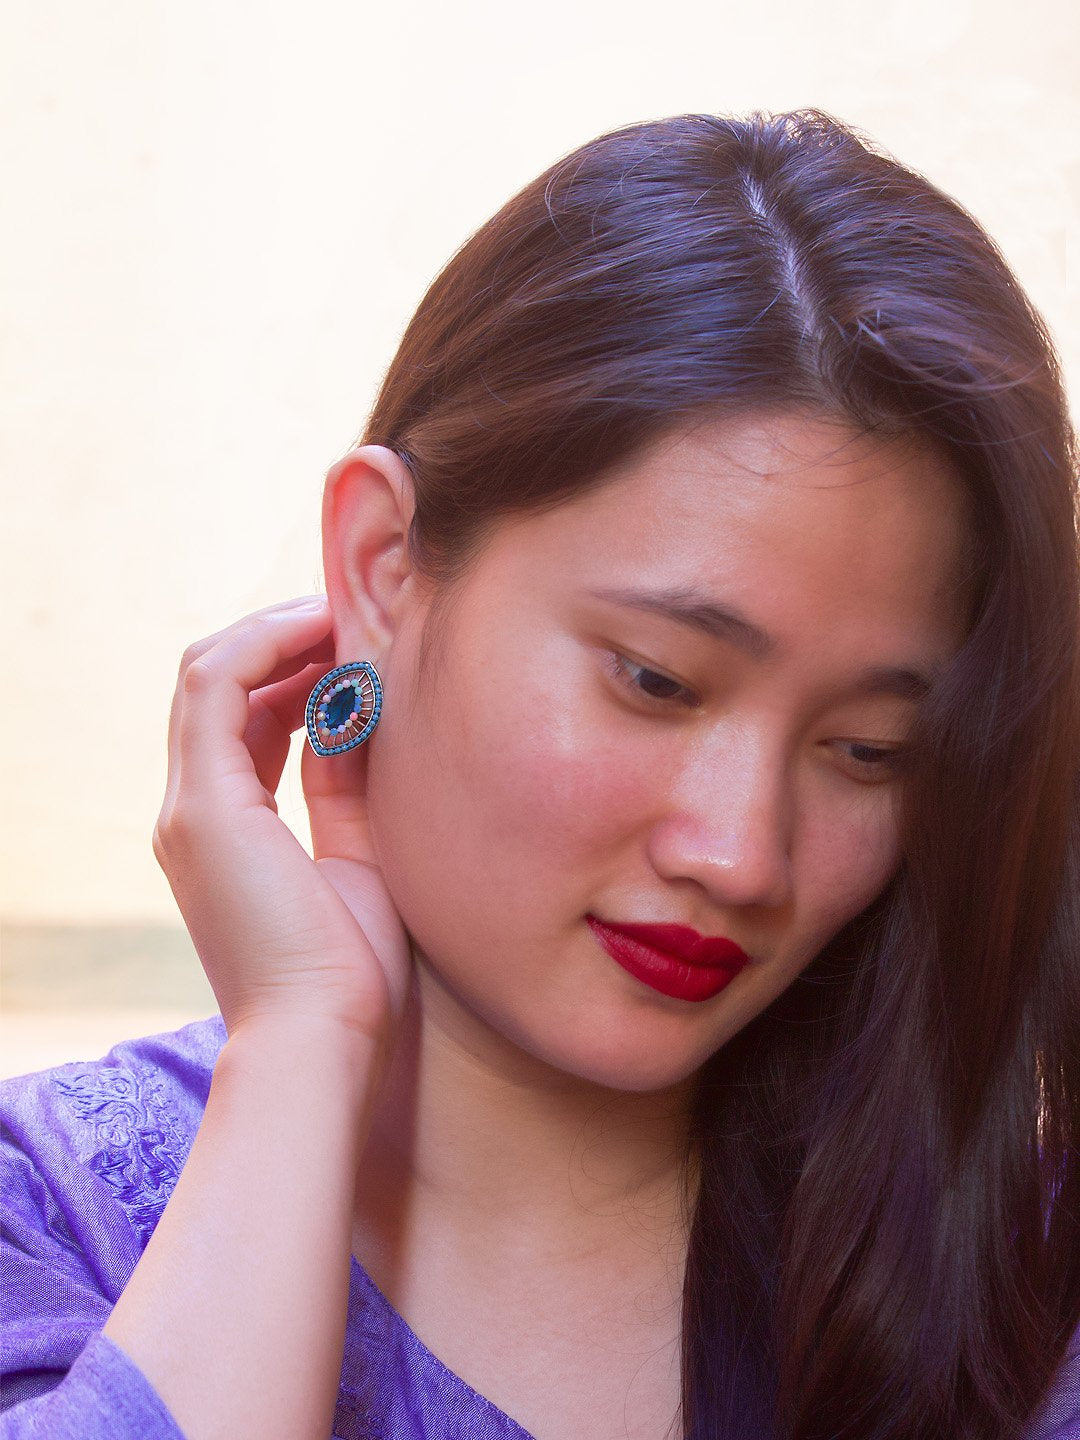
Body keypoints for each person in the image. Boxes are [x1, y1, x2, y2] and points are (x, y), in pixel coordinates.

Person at [2, 107, 1078, 1440]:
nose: (741, 853)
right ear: (383, 569)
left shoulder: (1025, 1283)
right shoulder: (50, 1215)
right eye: (657, 681)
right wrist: (301, 1041)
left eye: (870, 752)